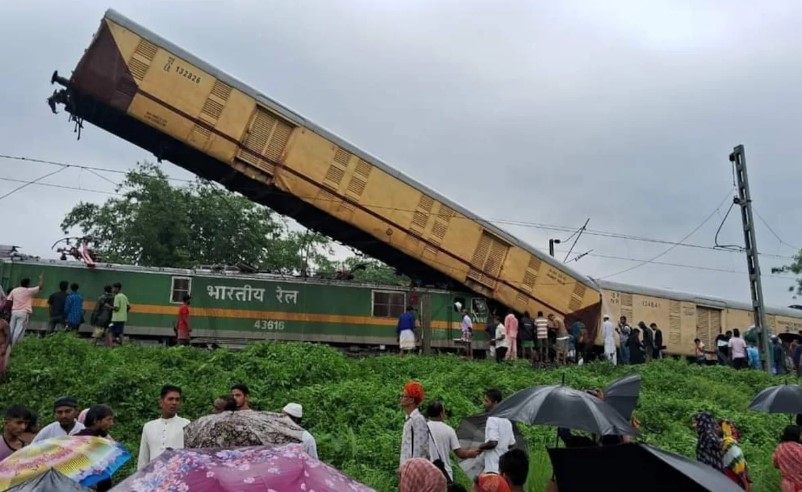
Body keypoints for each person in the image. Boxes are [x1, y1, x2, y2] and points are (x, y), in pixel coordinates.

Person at [137, 385, 190, 470]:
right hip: (153, 478)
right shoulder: (149, 426)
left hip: (179, 476)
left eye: (177, 399)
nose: (174, 402)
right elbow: (143, 458)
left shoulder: (186, 424)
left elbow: (191, 456)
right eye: (170, 399)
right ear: (161, 402)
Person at [425, 400, 479, 482]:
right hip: (444, 473)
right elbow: (460, 453)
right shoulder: (449, 430)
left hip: (426, 472)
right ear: (441, 414)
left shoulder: (422, 429)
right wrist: (471, 453)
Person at [76, 405, 116, 491]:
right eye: (108, 419)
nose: (112, 423)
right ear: (96, 421)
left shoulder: (102, 438)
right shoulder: (81, 442)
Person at [478, 389, 515, 474]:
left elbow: (493, 443)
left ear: (495, 403)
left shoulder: (492, 419)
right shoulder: (507, 421)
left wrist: (481, 446)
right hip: (503, 468)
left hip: (492, 468)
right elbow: (512, 443)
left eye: (486, 401)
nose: (484, 403)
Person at [7, 273, 44, 345]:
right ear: (28, 284)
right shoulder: (28, 291)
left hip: (14, 312)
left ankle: (7, 344)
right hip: (23, 313)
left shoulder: (14, 290)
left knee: (11, 329)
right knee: (19, 330)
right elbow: (41, 287)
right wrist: (41, 279)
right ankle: (13, 346)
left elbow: (9, 300)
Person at [400, 381, 429, 465]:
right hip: (406, 468)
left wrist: (412, 468)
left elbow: (419, 448)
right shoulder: (409, 419)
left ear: (411, 400)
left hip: (414, 469)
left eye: (404, 396)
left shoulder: (418, 419)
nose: (401, 398)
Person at [719, 419, 751, 491]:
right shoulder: (729, 442)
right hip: (734, 474)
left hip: (732, 473)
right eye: (729, 427)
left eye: (733, 427)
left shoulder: (727, 442)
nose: (733, 430)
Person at [773, 425, 802, 492]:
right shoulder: (800, 448)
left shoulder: (780, 448)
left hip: (787, 485)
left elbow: (775, 464)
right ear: (796, 435)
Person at [108, 283, 131, 347]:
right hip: (122, 318)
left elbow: (116, 308)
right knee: (120, 333)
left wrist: (108, 306)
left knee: (110, 332)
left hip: (116, 319)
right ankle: (123, 345)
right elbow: (129, 307)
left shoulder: (117, 297)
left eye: (113, 288)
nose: (112, 290)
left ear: (117, 288)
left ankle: (110, 347)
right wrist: (123, 312)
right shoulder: (124, 296)